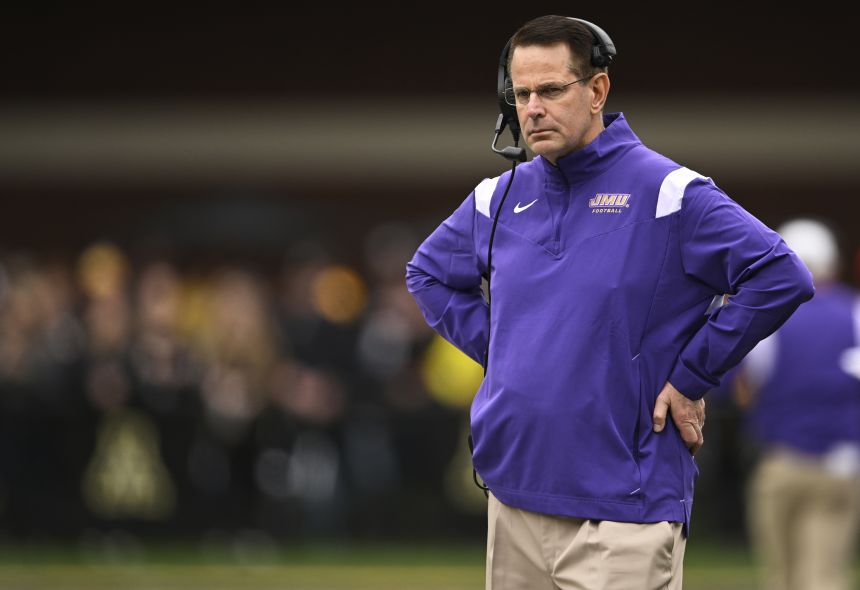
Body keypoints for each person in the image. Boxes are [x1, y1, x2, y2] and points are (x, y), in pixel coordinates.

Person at [405, 14, 814, 590]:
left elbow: (780, 274)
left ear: (596, 91)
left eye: (550, 90)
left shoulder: (670, 192)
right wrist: (509, 350)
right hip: (514, 499)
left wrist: (692, 376)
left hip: (625, 509)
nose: (532, 109)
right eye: (520, 94)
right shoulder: (495, 197)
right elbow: (426, 274)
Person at [733, 218, 860, 590]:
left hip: (781, 459)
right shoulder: (854, 313)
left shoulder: (768, 317)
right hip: (841, 464)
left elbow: (744, 389)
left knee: (780, 577)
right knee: (822, 575)